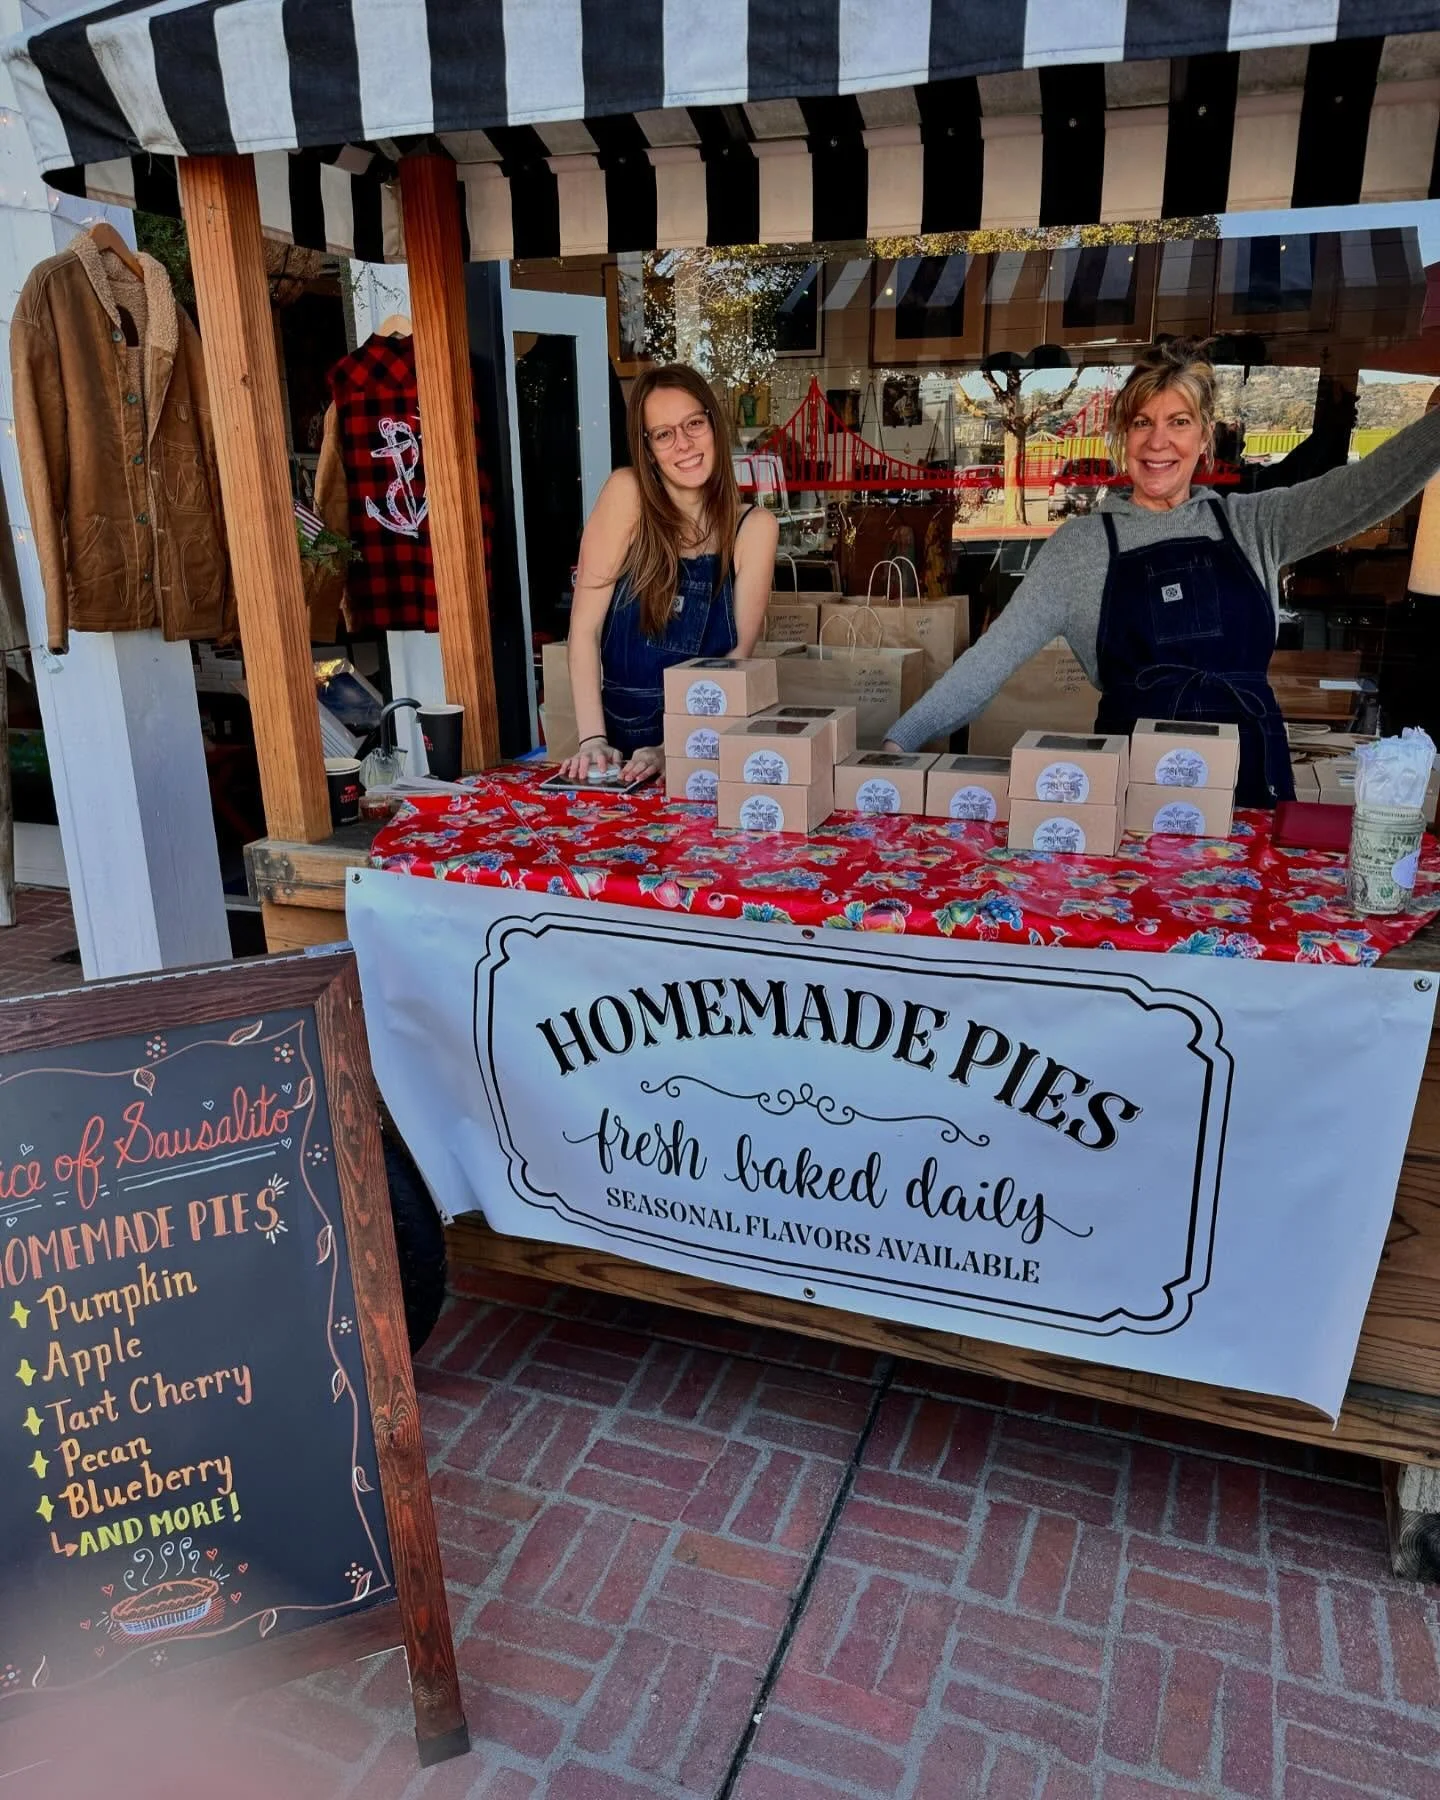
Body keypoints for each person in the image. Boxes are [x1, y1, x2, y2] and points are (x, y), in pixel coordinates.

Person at [885, 340, 1440, 805]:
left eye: (1178, 422)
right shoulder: (1082, 548)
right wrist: (897, 743)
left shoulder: (1255, 523)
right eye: (1142, 423)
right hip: (1128, 797)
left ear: (1204, 436)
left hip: (1250, 785)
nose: (1158, 442)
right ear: (1122, 436)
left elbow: (1369, 487)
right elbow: (989, 661)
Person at [560, 364, 778, 783]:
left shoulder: (755, 528)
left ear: (714, 424)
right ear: (647, 448)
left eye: (694, 423)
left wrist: (673, 748)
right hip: (616, 754)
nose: (684, 444)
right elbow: (583, 631)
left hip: (704, 750)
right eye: (663, 434)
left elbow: (735, 666)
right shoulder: (628, 495)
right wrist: (592, 741)